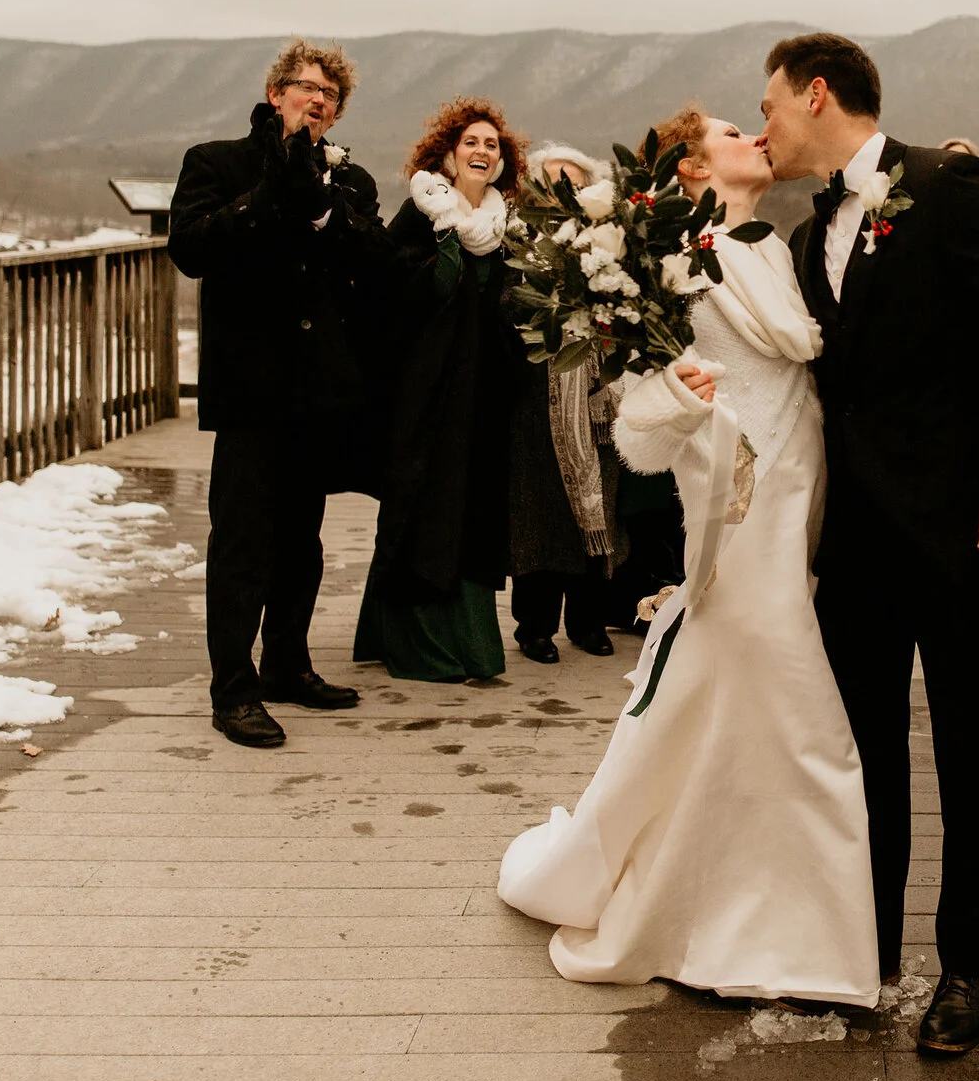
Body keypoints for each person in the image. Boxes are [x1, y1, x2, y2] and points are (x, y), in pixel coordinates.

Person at [498, 107, 878, 1005]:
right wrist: (680, 394)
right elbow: (634, 432)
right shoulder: (667, 267)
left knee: (718, 715)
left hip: (807, 504)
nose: (756, 133)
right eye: (732, 129)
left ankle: (730, 897)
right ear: (693, 167)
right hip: (739, 518)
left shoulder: (782, 250)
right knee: (802, 718)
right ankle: (804, 944)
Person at [762, 32, 979, 1058]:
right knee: (862, 750)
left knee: (969, 744)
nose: (762, 127)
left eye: (769, 107)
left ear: (815, 95)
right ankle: (867, 949)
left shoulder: (944, 185)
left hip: (960, 527)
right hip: (852, 541)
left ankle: (968, 965)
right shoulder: (808, 238)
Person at [166, 39, 392, 749]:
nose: (318, 99)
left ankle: (286, 666)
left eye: (331, 94)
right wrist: (272, 196)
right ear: (277, 94)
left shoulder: (348, 182)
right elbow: (192, 246)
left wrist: (326, 214)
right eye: (307, 86)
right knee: (241, 541)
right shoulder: (216, 161)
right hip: (250, 386)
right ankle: (232, 688)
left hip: (318, 389)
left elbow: (376, 265)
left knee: (303, 540)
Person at [353, 97, 525, 684]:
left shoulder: (507, 228)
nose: (481, 151)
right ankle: (412, 642)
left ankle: (473, 644)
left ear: (502, 163)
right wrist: (445, 251)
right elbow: (386, 287)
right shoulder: (423, 212)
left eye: (492, 145)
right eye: (471, 142)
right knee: (423, 502)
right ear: (449, 155)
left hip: (483, 392)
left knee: (473, 505)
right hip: (424, 391)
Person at [507, 143, 627, 662]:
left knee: (601, 504)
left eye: (575, 185)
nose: (565, 193)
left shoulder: (611, 246)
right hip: (536, 399)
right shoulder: (516, 243)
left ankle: (589, 621)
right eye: (553, 183)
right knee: (541, 513)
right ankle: (533, 627)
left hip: (600, 403)